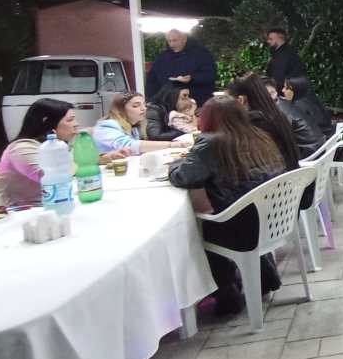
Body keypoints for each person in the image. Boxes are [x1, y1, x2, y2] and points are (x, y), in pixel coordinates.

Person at [168, 96, 288, 316]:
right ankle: (265, 279)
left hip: (238, 227)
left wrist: (175, 164)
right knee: (232, 216)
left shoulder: (211, 143)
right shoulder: (259, 136)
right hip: (273, 219)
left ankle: (228, 297)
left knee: (197, 232)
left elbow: (183, 177)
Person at [0, 98, 129, 211]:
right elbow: (56, 176)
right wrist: (76, 144)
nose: (76, 124)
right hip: (8, 215)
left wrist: (104, 158)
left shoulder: (50, 147)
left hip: (44, 207)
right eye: (70, 120)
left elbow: (67, 164)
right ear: (48, 124)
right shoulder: (21, 149)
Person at [229, 73, 316, 162]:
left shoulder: (261, 118)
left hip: (306, 159)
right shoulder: (278, 107)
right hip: (311, 155)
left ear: (241, 100)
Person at [94, 92, 183, 155]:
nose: (144, 108)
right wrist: (171, 145)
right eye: (136, 106)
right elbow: (129, 145)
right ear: (120, 110)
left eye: (144, 105)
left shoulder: (134, 127)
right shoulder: (107, 126)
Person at [146, 29, 217, 107]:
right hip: (168, 105)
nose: (172, 44)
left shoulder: (201, 54)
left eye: (175, 40)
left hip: (196, 102)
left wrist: (192, 78)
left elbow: (210, 75)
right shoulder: (162, 57)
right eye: (169, 41)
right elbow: (152, 80)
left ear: (184, 39)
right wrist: (152, 100)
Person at [281, 76, 336, 142]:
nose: (283, 90)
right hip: (329, 137)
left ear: (296, 89)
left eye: (286, 88)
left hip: (321, 143)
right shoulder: (309, 100)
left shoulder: (298, 107)